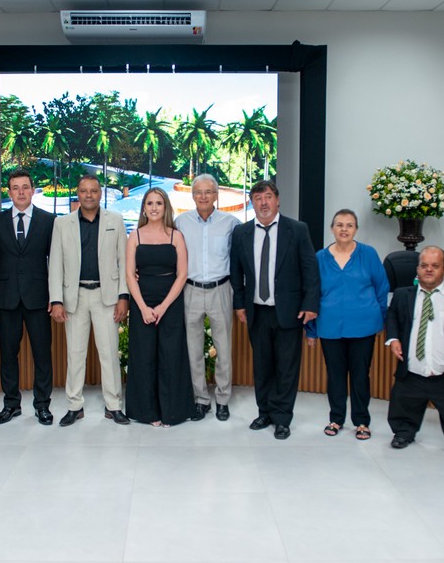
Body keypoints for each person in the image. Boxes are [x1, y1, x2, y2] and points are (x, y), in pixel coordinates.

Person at [230, 180, 319, 440]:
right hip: (257, 311)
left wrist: (310, 305)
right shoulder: (242, 233)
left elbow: (310, 270)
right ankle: (264, 412)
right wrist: (239, 303)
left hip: (289, 311)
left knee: (286, 368)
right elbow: (236, 272)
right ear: (251, 203)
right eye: (258, 198)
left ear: (277, 200)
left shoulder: (297, 229)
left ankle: (282, 418)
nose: (264, 203)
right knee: (262, 366)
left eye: (268, 197)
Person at [49, 175, 130, 427]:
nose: (89, 195)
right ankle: (74, 406)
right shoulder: (62, 224)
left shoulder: (115, 221)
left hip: (107, 297)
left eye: (93, 191)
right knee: (75, 354)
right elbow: (55, 265)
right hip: (75, 297)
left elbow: (123, 261)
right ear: (78, 193)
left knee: (109, 354)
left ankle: (114, 405)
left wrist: (123, 296)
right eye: (84, 191)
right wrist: (56, 300)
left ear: (100, 193)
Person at [385, 246, 444, 460]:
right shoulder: (402, 295)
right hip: (412, 369)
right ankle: (403, 433)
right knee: (403, 405)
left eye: (435, 266)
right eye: (424, 265)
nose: (428, 270)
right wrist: (393, 338)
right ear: (417, 269)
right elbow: (392, 316)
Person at [305, 209, 388, 440]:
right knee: (335, 375)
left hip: (363, 326)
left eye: (349, 225)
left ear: (356, 230)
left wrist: (379, 321)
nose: (344, 229)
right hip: (330, 327)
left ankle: (362, 421)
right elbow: (311, 295)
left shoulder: (368, 254)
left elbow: (382, 289)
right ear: (332, 229)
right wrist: (311, 330)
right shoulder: (320, 257)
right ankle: (336, 418)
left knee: (361, 375)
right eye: (339, 225)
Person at [0, 169, 55, 426]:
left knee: (42, 354)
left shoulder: (49, 220)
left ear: (33, 190)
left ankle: (42, 405)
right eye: (15, 187)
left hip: (38, 298)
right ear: (9, 192)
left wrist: (55, 295)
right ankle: (11, 405)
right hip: (5, 298)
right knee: (7, 354)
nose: (21, 192)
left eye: (25, 187)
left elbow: (55, 262)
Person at [125, 187, 194, 427]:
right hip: (141, 302)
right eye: (150, 203)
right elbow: (129, 276)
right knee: (143, 358)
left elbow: (182, 274)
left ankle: (172, 413)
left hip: (170, 303)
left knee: (171, 357)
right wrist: (143, 307)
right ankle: (148, 413)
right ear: (144, 207)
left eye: (159, 203)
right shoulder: (135, 236)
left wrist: (163, 307)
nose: (154, 207)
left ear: (166, 208)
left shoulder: (176, 236)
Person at [175, 174, 239, 421]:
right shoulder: (181, 222)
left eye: (208, 192)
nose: (203, 196)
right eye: (198, 192)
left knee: (223, 348)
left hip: (221, 289)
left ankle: (223, 399)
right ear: (192, 196)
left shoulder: (231, 223)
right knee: (193, 349)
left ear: (216, 195)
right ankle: (201, 399)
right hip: (190, 289)